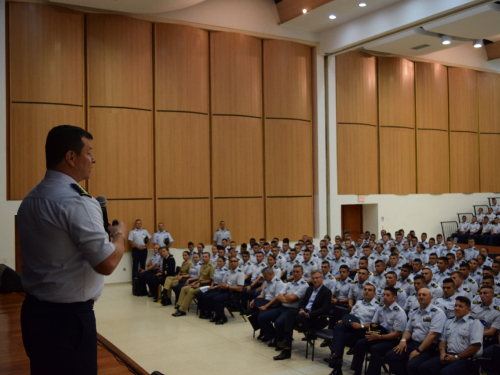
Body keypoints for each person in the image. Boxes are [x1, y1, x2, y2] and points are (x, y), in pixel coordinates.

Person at [18, 125, 128, 375]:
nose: (93, 159)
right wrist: (120, 235)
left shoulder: (31, 199)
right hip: (67, 322)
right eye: (89, 152)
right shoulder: (77, 201)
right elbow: (107, 264)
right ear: (70, 157)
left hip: (35, 314)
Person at [385, 288, 446, 375]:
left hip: (428, 347)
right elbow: (408, 330)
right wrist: (403, 340)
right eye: (419, 295)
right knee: (390, 356)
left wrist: (418, 350)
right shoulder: (414, 312)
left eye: (424, 295)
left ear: (431, 298)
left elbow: (432, 335)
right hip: (412, 343)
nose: (421, 297)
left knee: (412, 365)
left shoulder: (437, 313)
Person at [274, 270, 332, 360]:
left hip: (314, 318)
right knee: (290, 312)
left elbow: (325, 310)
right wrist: (301, 310)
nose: (315, 280)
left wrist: (308, 314)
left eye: (317, 278)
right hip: (303, 314)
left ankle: (286, 348)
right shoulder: (309, 289)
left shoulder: (327, 292)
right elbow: (302, 303)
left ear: (322, 278)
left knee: (288, 321)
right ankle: (286, 344)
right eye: (313, 278)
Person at [323, 283, 379, 374]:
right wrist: (344, 321)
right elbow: (351, 316)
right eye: (365, 289)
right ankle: (336, 357)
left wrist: (361, 326)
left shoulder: (377, 306)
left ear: (374, 294)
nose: (367, 291)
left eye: (369, 290)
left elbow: (375, 325)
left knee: (339, 339)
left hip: (363, 331)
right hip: (352, 327)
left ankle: (336, 367)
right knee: (338, 327)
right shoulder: (359, 302)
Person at [419, 296, 484, 375]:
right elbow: (443, 340)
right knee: (424, 368)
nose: (456, 308)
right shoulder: (449, 321)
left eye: (460, 306)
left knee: (446, 372)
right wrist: (442, 353)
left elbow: (476, 346)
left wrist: (457, 357)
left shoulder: (474, 323)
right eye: (455, 306)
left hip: (465, 358)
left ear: (468, 310)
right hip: (448, 355)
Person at [350, 287, 407, 375]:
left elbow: (396, 334)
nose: (384, 297)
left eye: (388, 295)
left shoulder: (399, 312)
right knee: (360, 343)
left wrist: (379, 337)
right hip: (378, 335)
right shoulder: (381, 307)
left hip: (392, 339)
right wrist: (371, 332)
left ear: (394, 298)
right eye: (384, 294)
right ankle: (356, 371)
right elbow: (373, 324)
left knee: (375, 349)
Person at [258, 265, 309, 347]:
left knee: (278, 322)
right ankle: (274, 337)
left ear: (302, 273)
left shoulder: (304, 285)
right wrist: (288, 298)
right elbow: (279, 296)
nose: (295, 273)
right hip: (282, 307)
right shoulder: (289, 283)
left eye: (297, 272)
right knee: (262, 317)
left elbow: (293, 298)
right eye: (293, 272)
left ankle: (281, 341)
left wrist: (285, 297)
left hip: (292, 311)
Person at [172, 252, 215, 317]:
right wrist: (194, 283)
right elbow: (200, 277)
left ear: (209, 258)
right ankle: (179, 306)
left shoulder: (211, 267)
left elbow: (211, 280)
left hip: (205, 285)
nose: (204, 258)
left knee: (191, 291)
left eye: (206, 257)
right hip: (199, 283)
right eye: (203, 256)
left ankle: (182, 310)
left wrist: (199, 283)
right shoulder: (202, 266)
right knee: (184, 288)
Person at [211, 257, 246, 325]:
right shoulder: (228, 271)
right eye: (231, 261)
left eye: (234, 261)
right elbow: (223, 282)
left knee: (217, 299)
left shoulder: (240, 273)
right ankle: (218, 315)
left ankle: (223, 317)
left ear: (237, 263)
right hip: (226, 290)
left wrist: (228, 287)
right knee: (211, 296)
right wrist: (216, 286)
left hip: (234, 293)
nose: (232, 263)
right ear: (229, 263)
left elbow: (240, 288)